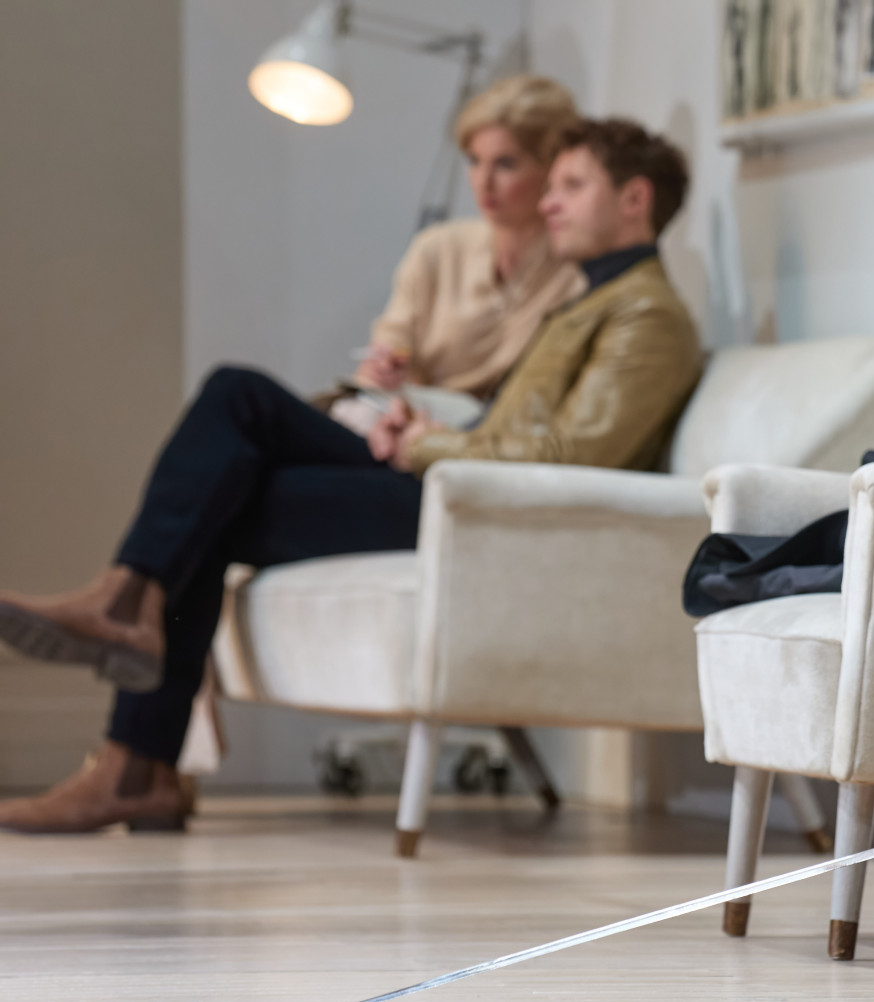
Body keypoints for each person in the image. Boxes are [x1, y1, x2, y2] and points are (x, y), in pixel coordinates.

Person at [0, 118, 700, 834]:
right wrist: (418, 424)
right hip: (453, 481)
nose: (549, 202)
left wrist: (429, 447)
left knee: (220, 489)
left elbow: (576, 457)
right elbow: (517, 428)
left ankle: (134, 736)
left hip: (474, 513)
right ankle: (129, 634)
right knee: (237, 400)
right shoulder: (589, 301)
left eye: (571, 186)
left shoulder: (647, 316)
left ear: (635, 199)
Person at [333, 75, 586, 427]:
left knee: (255, 400)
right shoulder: (438, 248)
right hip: (403, 420)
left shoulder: (576, 274)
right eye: (474, 161)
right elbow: (392, 338)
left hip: (477, 437)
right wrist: (385, 366)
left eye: (506, 164)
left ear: (552, 168)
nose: (484, 182)